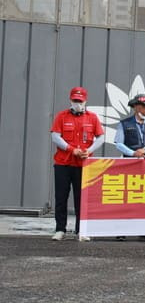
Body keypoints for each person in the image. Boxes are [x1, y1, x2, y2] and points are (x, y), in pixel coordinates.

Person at [50, 87, 104, 242]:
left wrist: (89, 150)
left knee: (82, 199)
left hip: (83, 165)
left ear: (85, 101)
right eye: (75, 101)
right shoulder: (62, 116)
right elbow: (55, 136)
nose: (77, 104)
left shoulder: (92, 118)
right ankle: (60, 229)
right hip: (63, 163)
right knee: (61, 197)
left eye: (80, 101)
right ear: (70, 100)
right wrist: (71, 149)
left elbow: (100, 137)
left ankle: (81, 230)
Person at [114, 94, 145, 241]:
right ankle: (121, 230)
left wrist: (144, 150)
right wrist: (133, 153)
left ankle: (144, 230)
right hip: (129, 164)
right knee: (127, 196)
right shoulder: (124, 123)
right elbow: (119, 143)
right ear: (135, 107)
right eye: (144, 106)